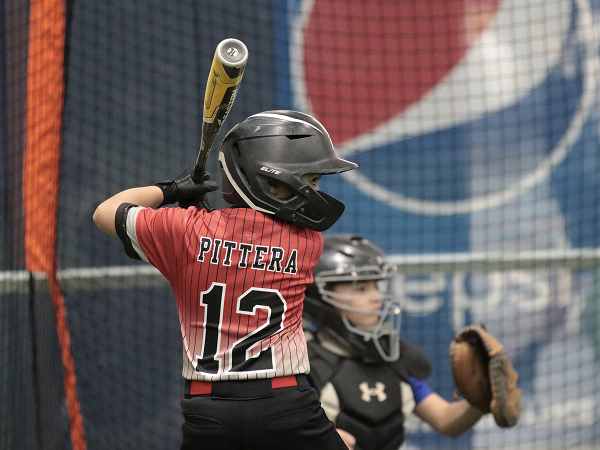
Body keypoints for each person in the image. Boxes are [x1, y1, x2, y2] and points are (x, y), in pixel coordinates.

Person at [92, 110, 358, 450]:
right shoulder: (307, 242)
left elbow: (106, 211)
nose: (317, 191)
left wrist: (172, 191)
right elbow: (245, 247)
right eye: (311, 180)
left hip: (208, 412)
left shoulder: (182, 230)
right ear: (273, 183)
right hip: (287, 405)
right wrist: (198, 218)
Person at [303, 234, 488, 450]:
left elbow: (446, 420)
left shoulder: (393, 354)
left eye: (376, 286)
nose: (376, 297)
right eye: (361, 289)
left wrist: (481, 400)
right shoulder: (303, 360)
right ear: (321, 297)